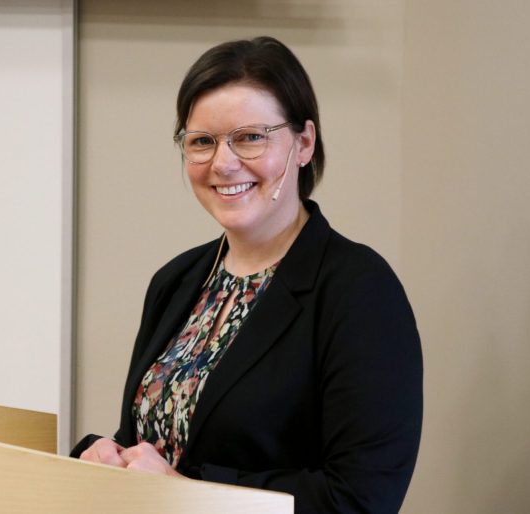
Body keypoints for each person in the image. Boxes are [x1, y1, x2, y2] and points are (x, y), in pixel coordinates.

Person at [71, 36, 423, 514]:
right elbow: (155, 443)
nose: (223, 162)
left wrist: (188, 491)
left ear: (303, 143)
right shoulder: (176, 280)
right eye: (202, 142)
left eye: (250, 137)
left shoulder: (358, 290)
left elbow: (360, 498)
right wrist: (107, 455)